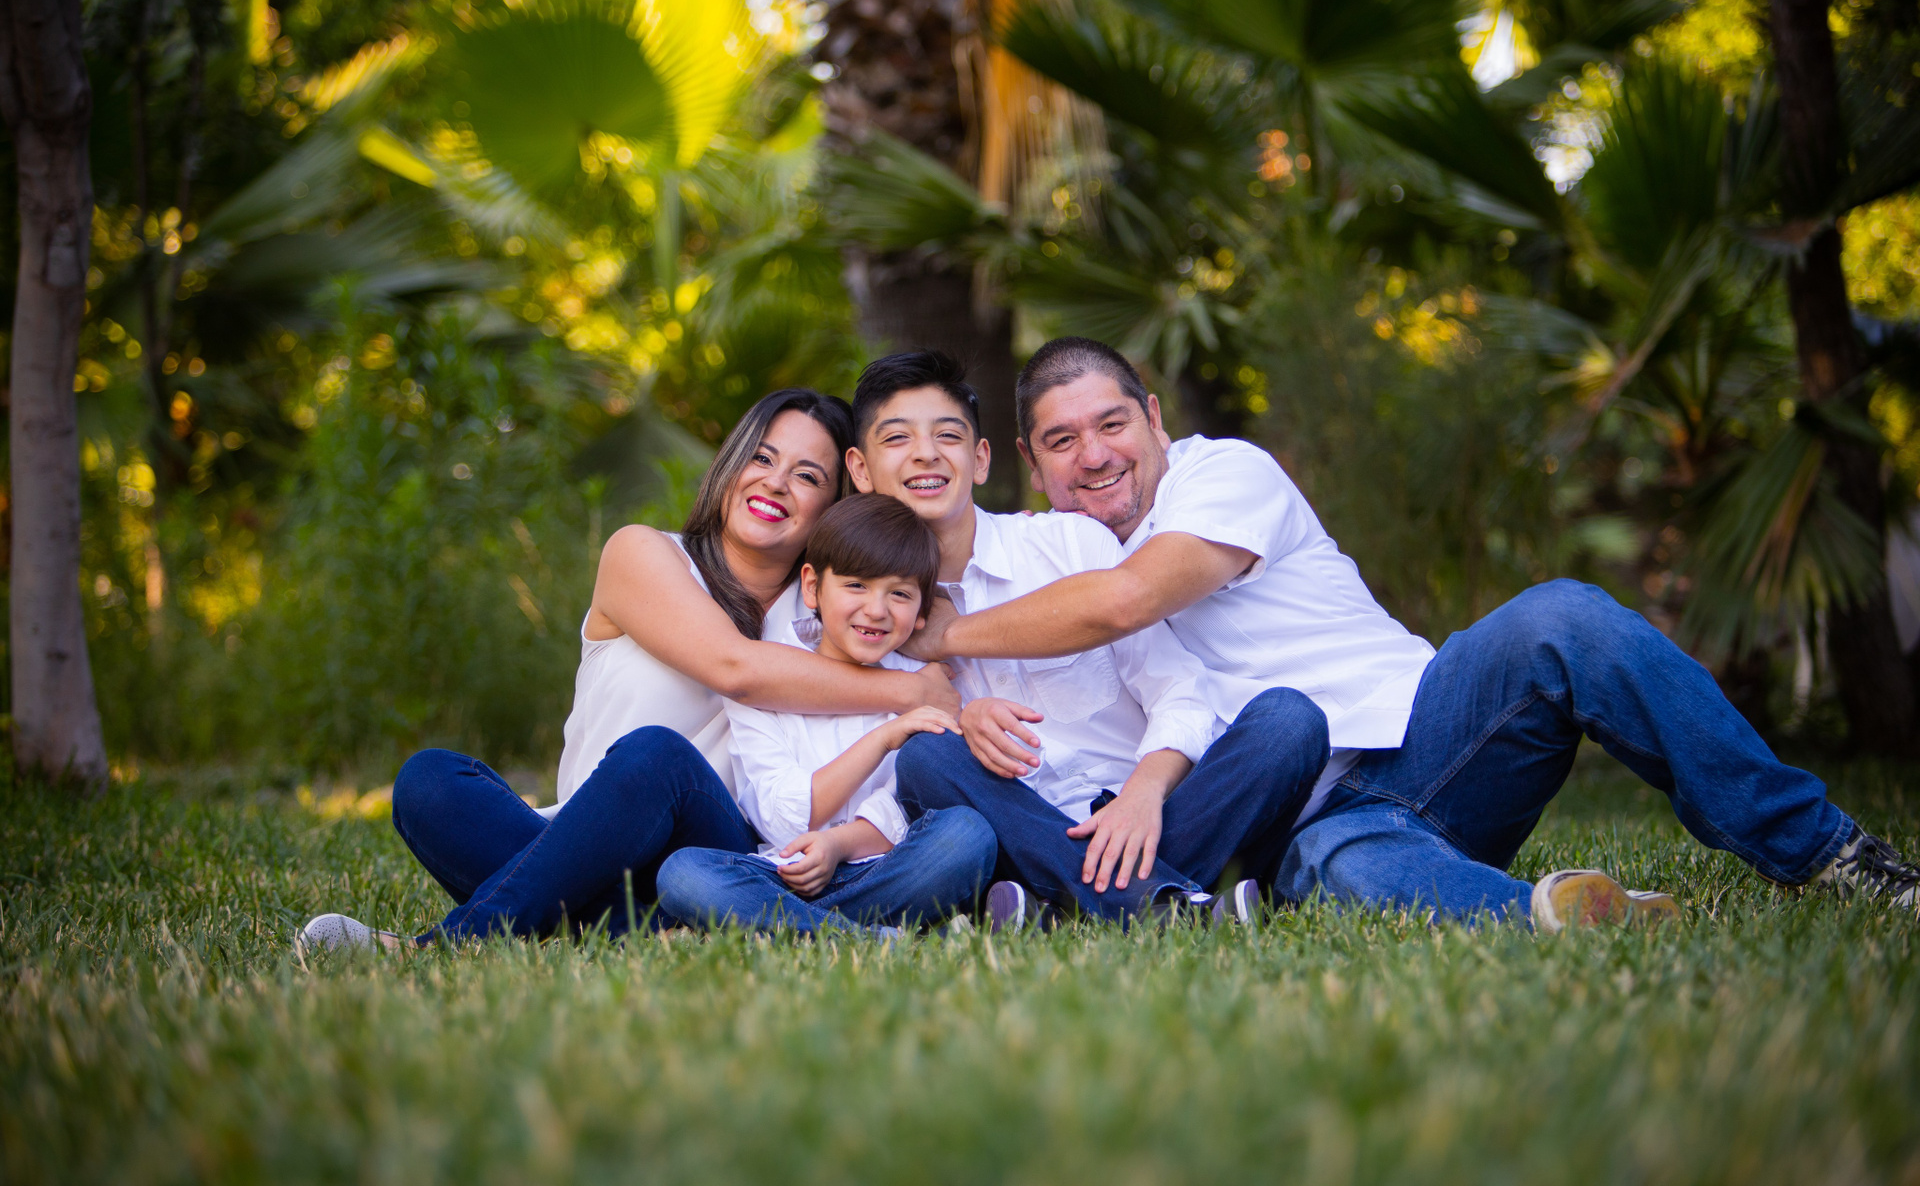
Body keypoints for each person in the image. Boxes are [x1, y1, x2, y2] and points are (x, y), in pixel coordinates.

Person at [909, 337, 1920, 927]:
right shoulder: (1052, 553)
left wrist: (945, 635)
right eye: (1062, 440)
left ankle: (1826, 850)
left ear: (1154, 419)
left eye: (1110, 424)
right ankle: (1569, 911)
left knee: (1562, 617)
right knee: (1347, 868)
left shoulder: (1222, 475)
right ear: (1033, 463)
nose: (1093, 455)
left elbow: (1128, 599)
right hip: (1307, 818)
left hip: (1439, 733)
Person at [298, 389, 962, 952]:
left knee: (658, 757)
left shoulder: (830, 606)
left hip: (710, 854)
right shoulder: (644, 555)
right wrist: (913, 691)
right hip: (572, 838)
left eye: (808, 476)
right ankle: (651, 933)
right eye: (761, 458)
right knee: (429, 782)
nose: (776, 482)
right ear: (730, 465)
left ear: (832, 504)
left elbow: (923, 608)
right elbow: (734, 666)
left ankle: (439, 947)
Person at [846, 351, 1331, 929]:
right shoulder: (861, 615)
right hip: (1023, 834)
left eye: (947, 435)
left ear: (980, 460)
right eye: (897, 438)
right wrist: (959, 720)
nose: (926, 453)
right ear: (860, 470)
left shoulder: (1071, 545)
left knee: (1290, 721)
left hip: (1158, 819)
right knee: (927, 756)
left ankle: (1080, 907)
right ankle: (1165, 906)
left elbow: (1178, 691)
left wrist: (1144, 793)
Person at [656, 494, 997, 934]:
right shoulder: (768, 677)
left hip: (888, 868)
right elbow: (783, 821)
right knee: (683, 872)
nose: (876, 610)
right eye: (856, 585)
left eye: (899, 593)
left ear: (921, 612)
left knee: (968, 834)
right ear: (812, 586)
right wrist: (882, 739)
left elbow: (910, 806)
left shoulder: (929, 684)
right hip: (785, 875)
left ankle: (803, 930)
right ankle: (862, 937)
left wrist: (838, 845)